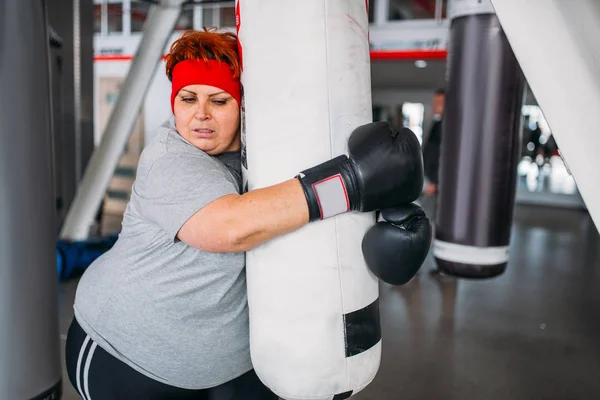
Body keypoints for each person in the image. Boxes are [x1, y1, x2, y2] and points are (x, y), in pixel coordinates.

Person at [65, 28, 427, 399]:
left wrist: (374, 221)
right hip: (122, 357)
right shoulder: (170, 159)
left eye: (219, 101)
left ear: (242, 105)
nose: (200, 116)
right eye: (188, 99)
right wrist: (352, 182)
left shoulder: (270, 156)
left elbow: (297, 220)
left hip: (229, 367)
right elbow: (230, 228)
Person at [422, 88, 445, 196]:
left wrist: (435, 182)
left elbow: (440, 153)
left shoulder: (444, 126)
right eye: (435, 102)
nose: (435, 106)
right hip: (431, 180)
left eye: (439, 102)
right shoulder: (438, 123)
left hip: (435, 182)